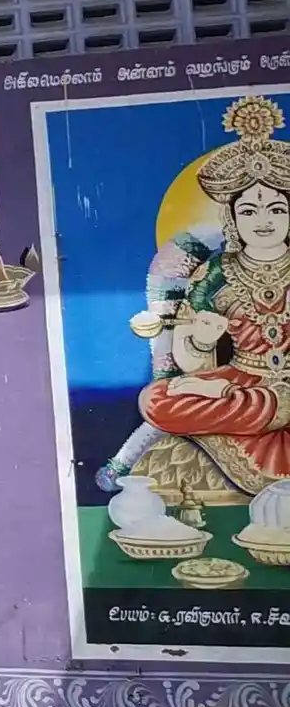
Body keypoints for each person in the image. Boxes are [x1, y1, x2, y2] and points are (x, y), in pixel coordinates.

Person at [139, 95, 290, 489]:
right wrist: (201, 344)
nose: (262, 221)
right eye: (249, 211)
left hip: (259, 391)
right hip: (246, 383)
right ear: (231, 217)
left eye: (276, 210)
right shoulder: (215, 274)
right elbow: (191, 363)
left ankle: (267, 411)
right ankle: (267, 412)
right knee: (156, 399)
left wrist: (221, 390)